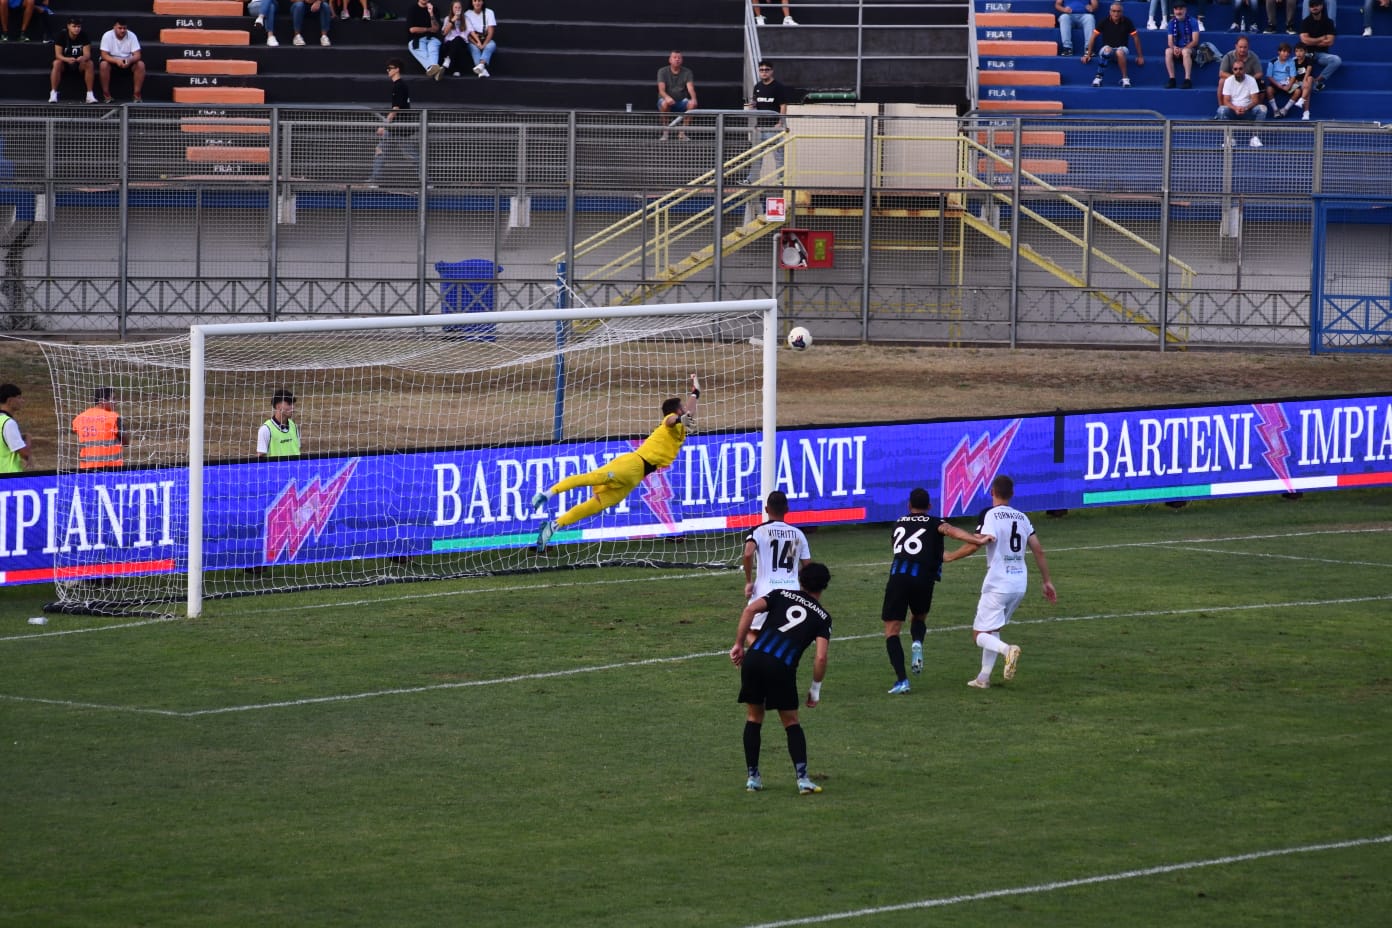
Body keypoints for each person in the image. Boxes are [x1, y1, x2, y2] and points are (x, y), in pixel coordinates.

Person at [531, 374, 700, 551]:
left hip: (636, 477)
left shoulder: (681, 425)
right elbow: (672, 420)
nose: (684, 410)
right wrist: (680, 417)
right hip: (631, 465)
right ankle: (546, 494)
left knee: (596, 505)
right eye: (681, 408)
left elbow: (689, 411)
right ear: (676, 412)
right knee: (592, 478)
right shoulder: (670, 422)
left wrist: (695, 392)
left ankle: (553, 527)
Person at [729, 561, 831, 795]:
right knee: (791, 722)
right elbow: (821, 658)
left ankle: (753, 778)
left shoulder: (779, 594)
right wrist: (815, 689)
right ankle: (803, 779)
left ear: (800, 580)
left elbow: (749, 610)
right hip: (781, 668)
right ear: (824, 586)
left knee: (754, 717)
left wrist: (738, 644)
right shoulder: (823, 618)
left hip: (754, 661)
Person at [880, 487, 991, 695]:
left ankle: (902, 680)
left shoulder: (898, 523)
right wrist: (977, 539)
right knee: (919, 618)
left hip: (899, 578)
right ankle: (917, 642)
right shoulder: (935, 522)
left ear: (908, 505)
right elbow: (951, 531)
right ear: (929, 506)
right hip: (924, 579)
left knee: (891, 631)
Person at [952, 475, 1057, 690]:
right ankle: (983, 677)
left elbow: (977, 544)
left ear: (992, 491)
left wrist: (950, 556)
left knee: (979, 634)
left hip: (998, 583)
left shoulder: (990, 515)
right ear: (1012, 494)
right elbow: (1038, 549)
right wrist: (1047, 581)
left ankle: (1007, 650)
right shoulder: (1022, 517)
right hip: (1019, 583)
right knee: (993, 627)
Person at [741, 489, 811, 646]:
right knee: (785, 637)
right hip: (791, 592)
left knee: (750, 630)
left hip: (764, 591)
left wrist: (748, 581)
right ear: (787, 509)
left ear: (766, 509)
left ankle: (762, 657)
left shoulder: (758, 531)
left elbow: (747, 554)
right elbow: (808, 567)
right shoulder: (798, 534)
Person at [369, 58, 419, 182]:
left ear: (397, 69)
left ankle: (426, 181)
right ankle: (374, 180)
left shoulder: (399, 86)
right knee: (380, 150)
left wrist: (384, 126)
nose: (388, 70)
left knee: (412, 155)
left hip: (399, 128)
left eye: (390, 68)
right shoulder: (399, 86)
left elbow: (395, 109)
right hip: (397, 128)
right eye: (387, 68)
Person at [743, 59, 790, 183]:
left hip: (773, 127)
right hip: (760, 127)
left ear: (771, 71)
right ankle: (751, 180)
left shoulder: (778, 87)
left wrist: (781, 122)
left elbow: (783, 105)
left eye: (766, 70)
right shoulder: (757, 86)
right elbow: (755, 103)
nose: (764, 72)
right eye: (761, 70)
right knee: (756, 156)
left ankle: (781, 181)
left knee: (779, 156)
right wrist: (752, 106)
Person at [1083, 3, 1144, 87]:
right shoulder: (1104, 21)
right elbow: (1093, 37)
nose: (1116, 13)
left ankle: (1125, 79)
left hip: (1122, 49)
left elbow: (1136, 38)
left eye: (1118, 11)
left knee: (1120, 52)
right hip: (1107, 49)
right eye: (1114, 11)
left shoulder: (1127, 22)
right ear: (1110, 12)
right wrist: (1088, 54)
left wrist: (1140, 56)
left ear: (1122, 12)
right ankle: (1098, 78)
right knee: (1107, 50)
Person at [1217, 56, 1268, 147]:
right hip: (1233, 111)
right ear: (1232, 70)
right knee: (1221, 110)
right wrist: (1235, 108)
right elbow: (1226, 101)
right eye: (1235, 69)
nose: (1238, 71)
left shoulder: (1251, 80)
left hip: (1248, 110)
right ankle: (1229, 138)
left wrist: (1246, 108)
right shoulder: (1228, 81)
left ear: (1244, 70)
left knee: (1262, 108)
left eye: (1240, 69)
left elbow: (1255, 100)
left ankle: (1255, 138)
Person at [72, 385, 127, 469]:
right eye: (113, 398)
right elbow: (126, 442)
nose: (116, 402)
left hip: (86, 470)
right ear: (102, 401)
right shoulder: (114, 417)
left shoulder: (79, 418)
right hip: (112, 470)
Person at [48, 16, 96, 103]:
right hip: (65, 63)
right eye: (74, 26)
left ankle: (90, 94)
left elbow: (87, 54)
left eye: (79, 27)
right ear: (68, 26)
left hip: (79, 63)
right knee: (56, 63)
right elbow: (58, 55)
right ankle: (53, 93)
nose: (77, 29)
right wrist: (66, 59)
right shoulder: (61, 35)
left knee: (90, 63)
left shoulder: (84, 35)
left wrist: (83, 58)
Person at [98, 19, 144, 103]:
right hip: (112, 61)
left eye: (124, 28)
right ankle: (106, 95)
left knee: (140, 65)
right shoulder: (107, 35)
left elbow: (137, 55)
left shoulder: (132, 35)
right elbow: (104, 55)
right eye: (120, 28)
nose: (122, 30)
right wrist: (116, 61)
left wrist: (129, 60)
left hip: (128, 61)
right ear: (114, 27)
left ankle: (137, 95)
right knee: (103, 65)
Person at [1298, 0, 1341, 91]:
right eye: (1312, 6)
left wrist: (1311, 41)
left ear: (1321, 6)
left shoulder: (1329, 22)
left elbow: (1330, 42)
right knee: (1295, 60)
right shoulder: (1305, 22)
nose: (1314, 7)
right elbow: (1304, 40)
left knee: (1336, 60)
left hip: (1322, 54)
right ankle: (1301, 83)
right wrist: (1321, 39)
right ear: (1309, 8)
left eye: (1317, 5)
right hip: (1307, 53)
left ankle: (1317, 80)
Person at [657, 50, 697, 141]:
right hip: (666, 100)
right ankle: (665, 133)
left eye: (679, 58)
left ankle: (682, 133)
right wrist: (667, 97)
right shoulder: (662, 71)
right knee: (664, 104)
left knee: (692, 104)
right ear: (670, 60)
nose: (677, 59)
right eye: (674, 57)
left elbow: (690, 88)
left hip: (681, 101)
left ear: (682, 60)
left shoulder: (687, 72)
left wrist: (694, 99)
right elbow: (661, 90)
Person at [1218, 35, 1266, 106]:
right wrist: (1235, 77)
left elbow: (1259, 73)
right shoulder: (1228, 56)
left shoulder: (1254, 56)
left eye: (1245, 47)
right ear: (1236, 46)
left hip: (1249, 80)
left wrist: (1248, 79)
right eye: (1240, 47)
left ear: (1248, 47)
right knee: (1221, 81)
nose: (1242, 50)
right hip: (1233, 81)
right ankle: (1221, 108)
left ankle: (1257, 108)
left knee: (1262, 83)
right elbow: (1221, 73)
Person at [1164, 1, 1200, 88]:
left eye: (1181, 9)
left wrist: (1183, 48)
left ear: (1185, 10)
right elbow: (1170, 42)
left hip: (1190, 49)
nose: (1178, 12)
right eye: (1176, 9)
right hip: (1177, 48)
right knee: (1168, 51)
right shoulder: (1171, 23)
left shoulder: (1193, 21)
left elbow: (1195, 41)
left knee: (1185, 51)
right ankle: (1172, 79)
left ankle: (1187, 79)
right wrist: (1174, 47)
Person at [1267, 41, 1306, 117]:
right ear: (1279, 52)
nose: (1286, 54)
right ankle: (1276, 110)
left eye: (1288, 52)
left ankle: (1285, 109)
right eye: (1284, 51)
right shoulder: (1272, 62)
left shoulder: (1291, 62)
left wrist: (1289, 86)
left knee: (1298, 91)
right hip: (1276, 84)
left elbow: (1293, 76)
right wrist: (1278, 85)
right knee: (1268, 90)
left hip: (1288, 83)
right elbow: (1269, 76)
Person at [256, 389, 300, 457]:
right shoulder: (266, 429)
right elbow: (260, 458)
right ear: (278, 406)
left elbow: (297, 449)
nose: (293, 408)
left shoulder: (294, 426)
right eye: (289, 404)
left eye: (293, 404)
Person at [0, 383, 32, 473]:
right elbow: (24, 453)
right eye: (19, 397)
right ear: (10, 401)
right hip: (9, 476)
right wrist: (28, 439)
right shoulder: (8, 423)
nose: (22, 401)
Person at [407, 0, 443, 78]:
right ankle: (435, 70)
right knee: (418, 49)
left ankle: (432, 69)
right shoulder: (412, 9)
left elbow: (436, 28)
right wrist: (428, 29)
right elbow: (412, 29)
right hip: (417, 39)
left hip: (432, 38)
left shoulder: (434, 9)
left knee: (433, 49)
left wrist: (431, 14)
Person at [463, 0, 496, 78]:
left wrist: (484, 44)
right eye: (475, 1)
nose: (477, 3)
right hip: (473, 41)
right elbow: (468, 34)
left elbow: (491, 32)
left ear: (483, 2)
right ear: (472, 2)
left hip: (486, 39)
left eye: (479, 1)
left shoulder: (489, 12)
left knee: (492, 45)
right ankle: (483, 70)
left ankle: (481, 65)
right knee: (474, 49)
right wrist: (477, 44)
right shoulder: (467, 14)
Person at [440, 0, 467, 76]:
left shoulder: (465, 19)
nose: (457, 9)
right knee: (451, 44)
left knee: (457, 40)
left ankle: (448, 59)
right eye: (455, 7)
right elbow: (444, 33)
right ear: (452, 9)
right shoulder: (447, 18)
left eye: (459, 8)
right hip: (449, 43)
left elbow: (467, 33)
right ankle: (456, 69)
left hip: (462, 42)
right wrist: (452, 21)